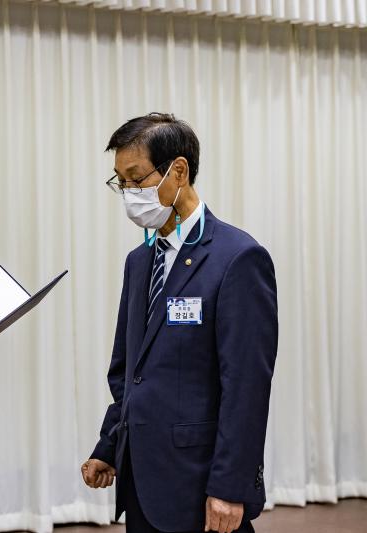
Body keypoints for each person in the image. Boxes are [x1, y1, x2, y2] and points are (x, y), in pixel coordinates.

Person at [81, 113, 278, 533]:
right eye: (121, 183)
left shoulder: (238, 258)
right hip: (143, 482)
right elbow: (130, 373)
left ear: (179, 171)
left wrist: (230, 486)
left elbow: (246, 387)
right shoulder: (140, 262)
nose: (129, 193)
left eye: (136, 179)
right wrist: (109, 445)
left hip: (202, 484)